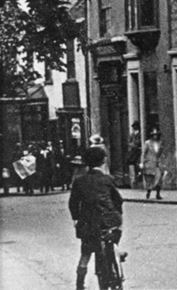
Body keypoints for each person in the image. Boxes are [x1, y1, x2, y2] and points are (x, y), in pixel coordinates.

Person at [68, 145, 123, 290]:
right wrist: (117, 214)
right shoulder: (108, 179)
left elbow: (73, 203)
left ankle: (80, 284)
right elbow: (118, 200)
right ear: (103, 161)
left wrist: (76, 219)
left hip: (89, 224)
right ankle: (116, 249)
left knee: (85, 254)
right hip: (109, 221)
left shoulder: (79, 181)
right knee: (115, 231)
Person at [140, 129, 165, 200]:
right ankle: (149, 192)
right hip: (149, 163)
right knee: (150, 179)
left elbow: (161, 153)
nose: (155, 136)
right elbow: (143, 153)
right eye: (154, 135)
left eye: (156, 135)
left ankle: (158, 194)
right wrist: (142, 162)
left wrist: (162, 162)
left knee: (159, 178)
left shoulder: (160, 143)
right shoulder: (147, 143)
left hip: (157, 163)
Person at [126, 121, 142, 187]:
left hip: (138, 151)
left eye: (135, 126)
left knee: (138, 164)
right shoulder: (132, 134)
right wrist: (132, 145)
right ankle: (133, 180)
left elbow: (139, 142)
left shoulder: (141, 134)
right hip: (133, 152)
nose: (134, 128)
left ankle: (137, 178)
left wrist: (134, 144)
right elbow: (129, 142)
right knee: (131, 163)